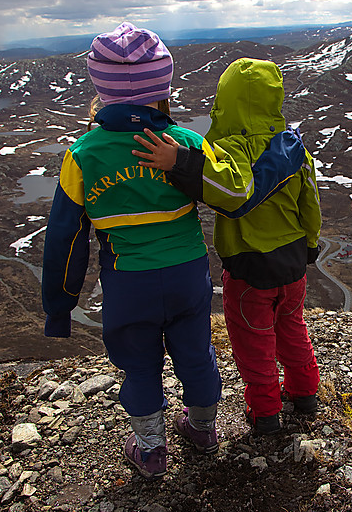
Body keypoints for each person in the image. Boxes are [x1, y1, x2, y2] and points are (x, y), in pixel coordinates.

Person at [41, 22, 225, 479]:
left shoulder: (83, 155)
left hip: (129, 284)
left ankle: (150, 450)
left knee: (139, 366)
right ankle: (202, 430)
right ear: (162, 85)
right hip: (187, 276)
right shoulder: (187, 143)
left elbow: (64, 240)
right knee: (197, 352)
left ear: (100, 87)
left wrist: (60, 308)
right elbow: (228, 191)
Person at [132, 57, 322, 435]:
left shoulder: (232, 151)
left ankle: (265, 413)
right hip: (293, 265)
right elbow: (311, 205)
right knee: (292, 328)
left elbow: (223, 188)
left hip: (250, 272)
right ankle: (305, 394)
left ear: (227, 102)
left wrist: (179, 161)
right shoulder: (295, 148)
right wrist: (311, 246)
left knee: (255, 344)